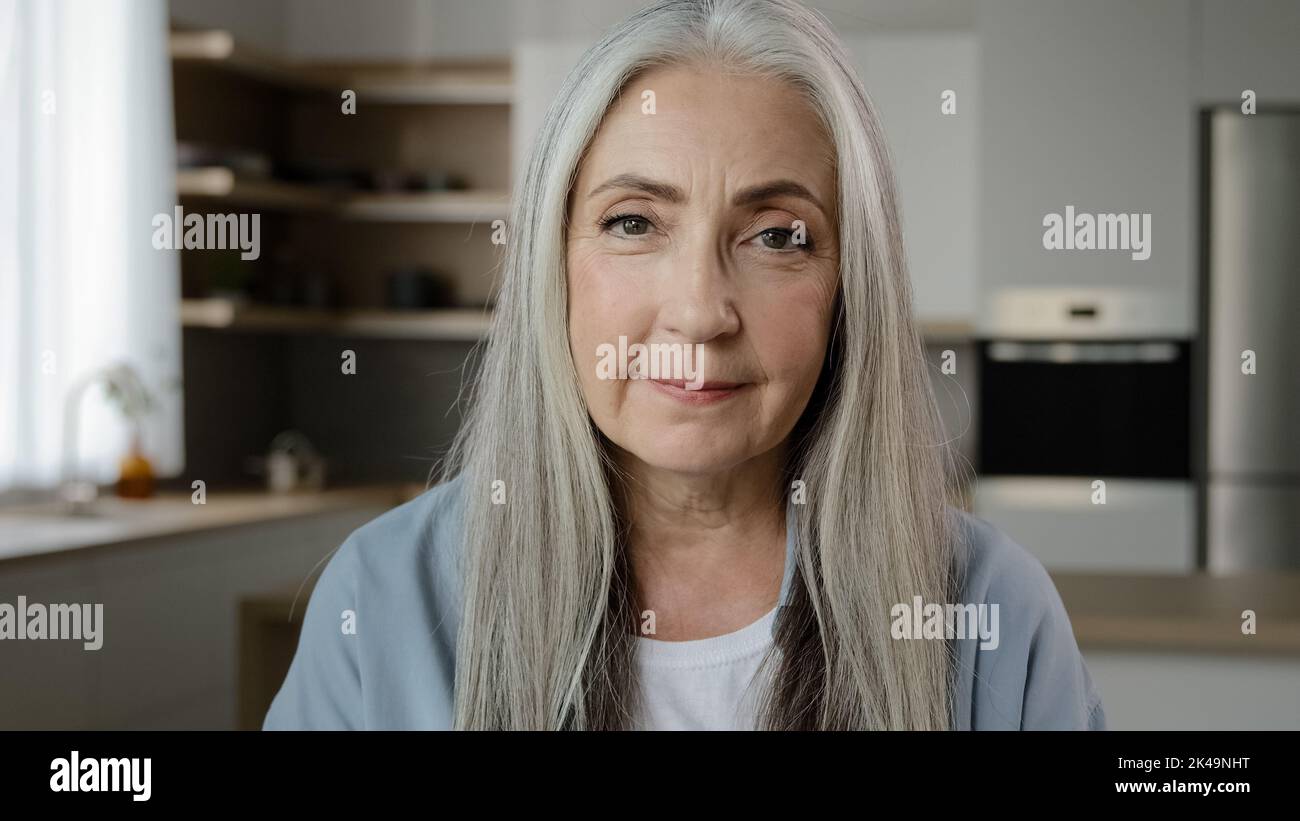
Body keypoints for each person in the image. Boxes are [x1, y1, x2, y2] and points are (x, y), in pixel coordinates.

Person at [264, 0, 1105, 731]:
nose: (701, 310)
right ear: (554, 266)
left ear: (850, 287)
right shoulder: (381, 599)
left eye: (778, 235)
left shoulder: (992, 611)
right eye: (634, 222)